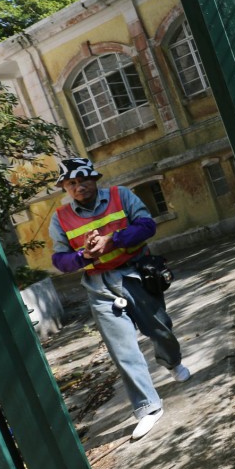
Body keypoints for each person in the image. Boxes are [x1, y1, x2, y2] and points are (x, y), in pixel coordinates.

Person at [49, 157, 190, 440]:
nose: (79, 187)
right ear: (65, 187)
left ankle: (172, 361)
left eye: (83, 180)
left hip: (136, 274)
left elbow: (147, 226)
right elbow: (60, 260)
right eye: (71, 183)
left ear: (95, 179)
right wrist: (84, 256)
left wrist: (112, 240)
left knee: (160, 329)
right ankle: (147, 407)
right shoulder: (60, 217)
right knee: (122, 348)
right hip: (99, 286)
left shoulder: (121, 195)